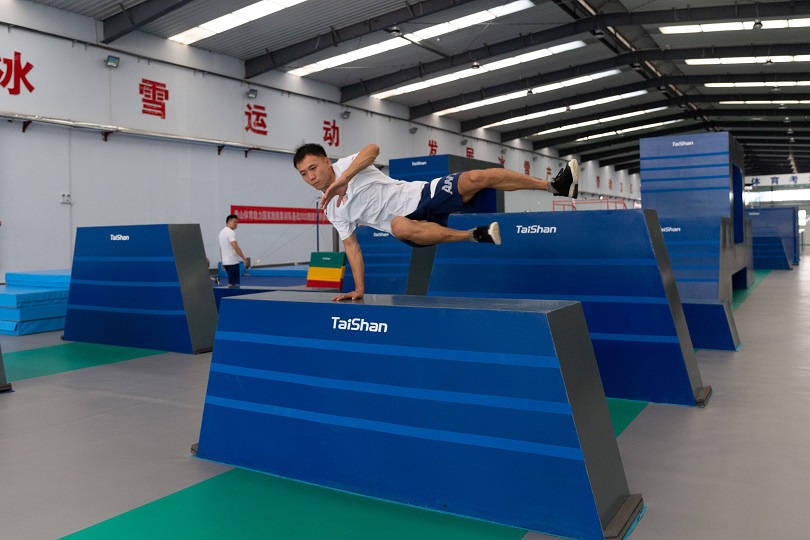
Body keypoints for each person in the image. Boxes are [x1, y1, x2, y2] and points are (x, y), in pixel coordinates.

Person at [293, 143, 578, 301]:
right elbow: (352, 247)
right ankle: (473, 235)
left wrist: (346, 178)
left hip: (423, 194)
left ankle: (554, 186)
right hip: (406, 224)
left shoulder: (346, 165)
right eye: (304, 174)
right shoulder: (332, 210)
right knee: (398, 226)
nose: (310, 177)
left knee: (477, 178)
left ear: (327, 162)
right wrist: (359, 289)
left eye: (313, 168)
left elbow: (374, 149)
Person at [218, 214, 248, 288]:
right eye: (235, 222)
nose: (236, 224)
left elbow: (221, 248)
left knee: (231, 281)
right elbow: (235, 246)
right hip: (232, 261)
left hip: (226, 261)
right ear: (229, 222)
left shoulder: (221, 232)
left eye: (237, 222)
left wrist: (222, 261)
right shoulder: (230, 232)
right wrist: (244, 258)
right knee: (231, 283)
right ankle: (229, 294)